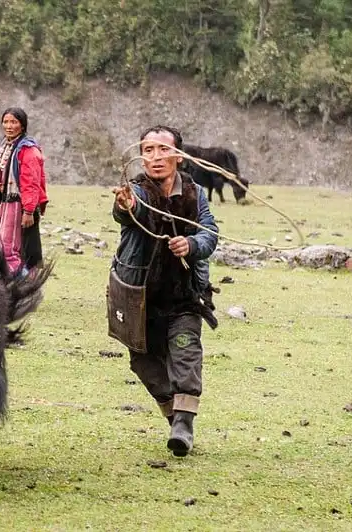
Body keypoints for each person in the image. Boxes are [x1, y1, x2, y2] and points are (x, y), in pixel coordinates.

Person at [109, 125, 218, 457]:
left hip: (184, 295)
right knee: (143, 362)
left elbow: (210, 233)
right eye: (148, 150)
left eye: (162, 150)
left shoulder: (195, 194)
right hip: (138, 295)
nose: (155, 157)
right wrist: (125, 204)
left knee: (185, 352)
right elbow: (130, 210)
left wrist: (191, 243)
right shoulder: (137, 190)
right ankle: (174, 416)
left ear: (179, 156)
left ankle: (184, 424)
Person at [0, 107, 48, 278]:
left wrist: (29, 211)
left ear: (23, 126)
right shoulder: (4, 148)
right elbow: (4, 179)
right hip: (7, 203)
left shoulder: (28, 150)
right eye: (6, 122)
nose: (9, 126)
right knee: (2, 244)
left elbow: (31, 183)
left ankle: (20, 286)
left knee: (8, 248)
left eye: (14, 122)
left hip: (20, 205)